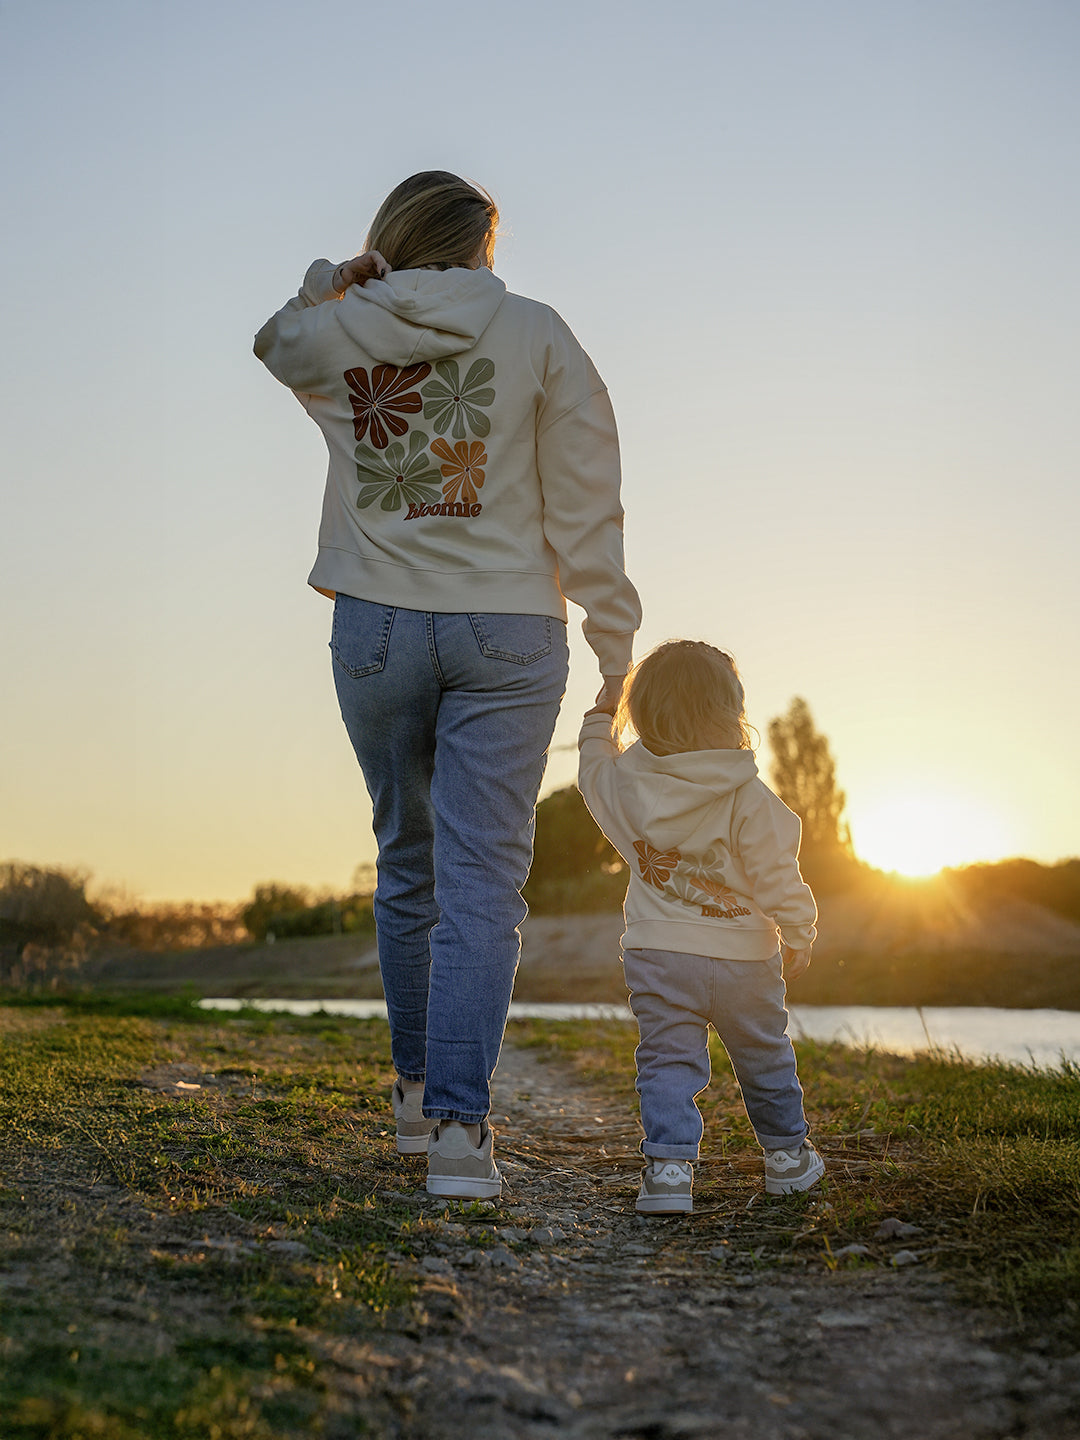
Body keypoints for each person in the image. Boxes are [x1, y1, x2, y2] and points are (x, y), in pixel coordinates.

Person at [254, 172, 641, 1201]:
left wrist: (333, 284)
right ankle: (462, 1139)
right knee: (482, 881)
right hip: (509, 628)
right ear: (482, 248)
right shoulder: (538, 332)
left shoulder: (348, 324)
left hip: (375, 625)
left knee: (407, 860)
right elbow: (588, 497)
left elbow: (277, 343)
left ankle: (417, 1097)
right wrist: (615, 640)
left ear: (391, 238)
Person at [577, 640, 823, 1214]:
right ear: (731, 711)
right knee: (764, 1055)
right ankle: (787, 1159)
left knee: (667, 1059)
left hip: (659, 951)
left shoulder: (626, 787)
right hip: (745, 957)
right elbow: (777, 875)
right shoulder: (749, 796)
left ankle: (668, 1171)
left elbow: (592, 770)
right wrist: (800, 931)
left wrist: (600, 715)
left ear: (642, 715)